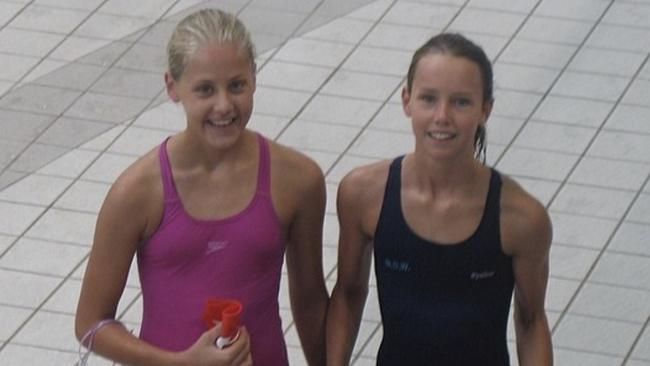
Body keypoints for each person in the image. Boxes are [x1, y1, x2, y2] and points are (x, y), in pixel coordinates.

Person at [75, 8, 329, 366]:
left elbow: (310, 301)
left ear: (255, 79)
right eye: (205, 90)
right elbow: (90, 324)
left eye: (237, 85)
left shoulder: (297, 180)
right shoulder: (137, 193)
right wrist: (181, 363)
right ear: (172, 87)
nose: (224, 105)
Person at [326, 33, 553, 365]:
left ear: (485, 109)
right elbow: (347, 296)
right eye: (428, 99)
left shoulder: (521, 218)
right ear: (407, 101)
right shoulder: (363, 195)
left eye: (461, 102)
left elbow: (531, 322)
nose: (442, 116)